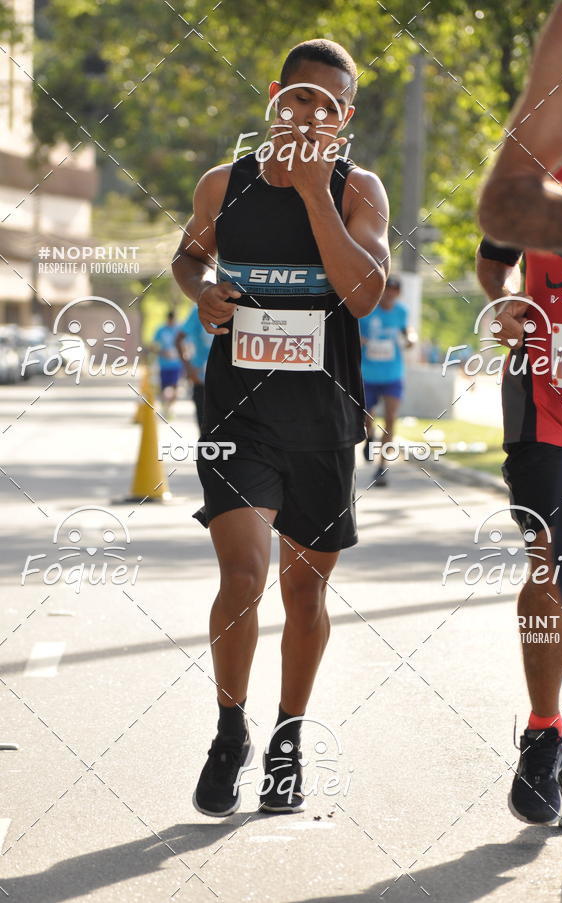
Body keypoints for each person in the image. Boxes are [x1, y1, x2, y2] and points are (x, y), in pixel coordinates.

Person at [171, 39, 390, 817]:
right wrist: (202, 290)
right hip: (239, 414)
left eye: (326, 106)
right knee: (243, 575)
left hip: (324, 419)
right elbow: (188, 256)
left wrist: (313, 196)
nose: (308, 114)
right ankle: (230, 727)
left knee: (304, 591)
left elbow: (364, 293)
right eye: (298, 98)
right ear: (274, 97)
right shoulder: (221, 183)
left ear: (345, 120)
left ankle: (288, 737)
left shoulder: (358, 188)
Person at [478, 0, 562, 894]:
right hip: (550, 387)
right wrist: (509, 303)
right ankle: (546, 728)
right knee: (550, 559)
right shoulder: (545, 159)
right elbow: (494, 251)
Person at [360, 274, 414, 487]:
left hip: (393, 374)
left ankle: (382, 467)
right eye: (386, 290)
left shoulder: (402, 312)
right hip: (368, 374)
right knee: (368, 417)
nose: (390, 294)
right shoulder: (367, 311)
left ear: (398, 293)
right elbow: (354, 336)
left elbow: (407, 331)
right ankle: (369, 436)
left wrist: (411, 339)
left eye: (394, 291)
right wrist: (362, 341)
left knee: (391, 418)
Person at [175, 304, 213, 433]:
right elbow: (178, 339)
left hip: (228, 381)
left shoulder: (234, 308)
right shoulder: (198, 310)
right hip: (201, 379)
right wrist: (189, 369)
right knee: (204, 428)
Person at [153, 310, 183, 418]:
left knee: (175, 388)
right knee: (164, 388)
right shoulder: (161, 330)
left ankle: (170, 408)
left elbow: (187, 345)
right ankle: (164, 406)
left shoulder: (179, 330)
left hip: (177, 365)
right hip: (164, 364)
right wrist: (162, 352)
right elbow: (154, 347)